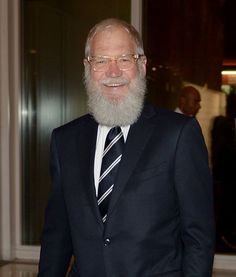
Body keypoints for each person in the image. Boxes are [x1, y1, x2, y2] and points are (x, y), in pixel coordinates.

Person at [38, 18, 215, 277]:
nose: (113, 71)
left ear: (142, 66)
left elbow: (199, 235)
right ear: (87, 68)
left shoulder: (178, 135)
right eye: (101, 60)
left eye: (124, 59)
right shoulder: (65, 140)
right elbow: (57, 235)